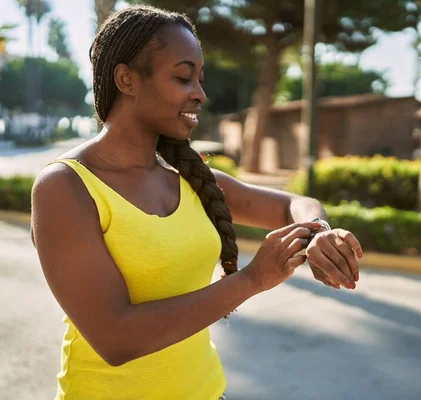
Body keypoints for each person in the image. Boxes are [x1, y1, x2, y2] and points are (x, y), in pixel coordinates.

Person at [31, 5, 363, 400]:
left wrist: (319, 234)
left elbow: (296, 204)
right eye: (183, 77)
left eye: (200, 79)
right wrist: (252, 279)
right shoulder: (65, 187)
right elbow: (115, 337)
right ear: (126, 79)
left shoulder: (191, 179)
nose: (200, 93)